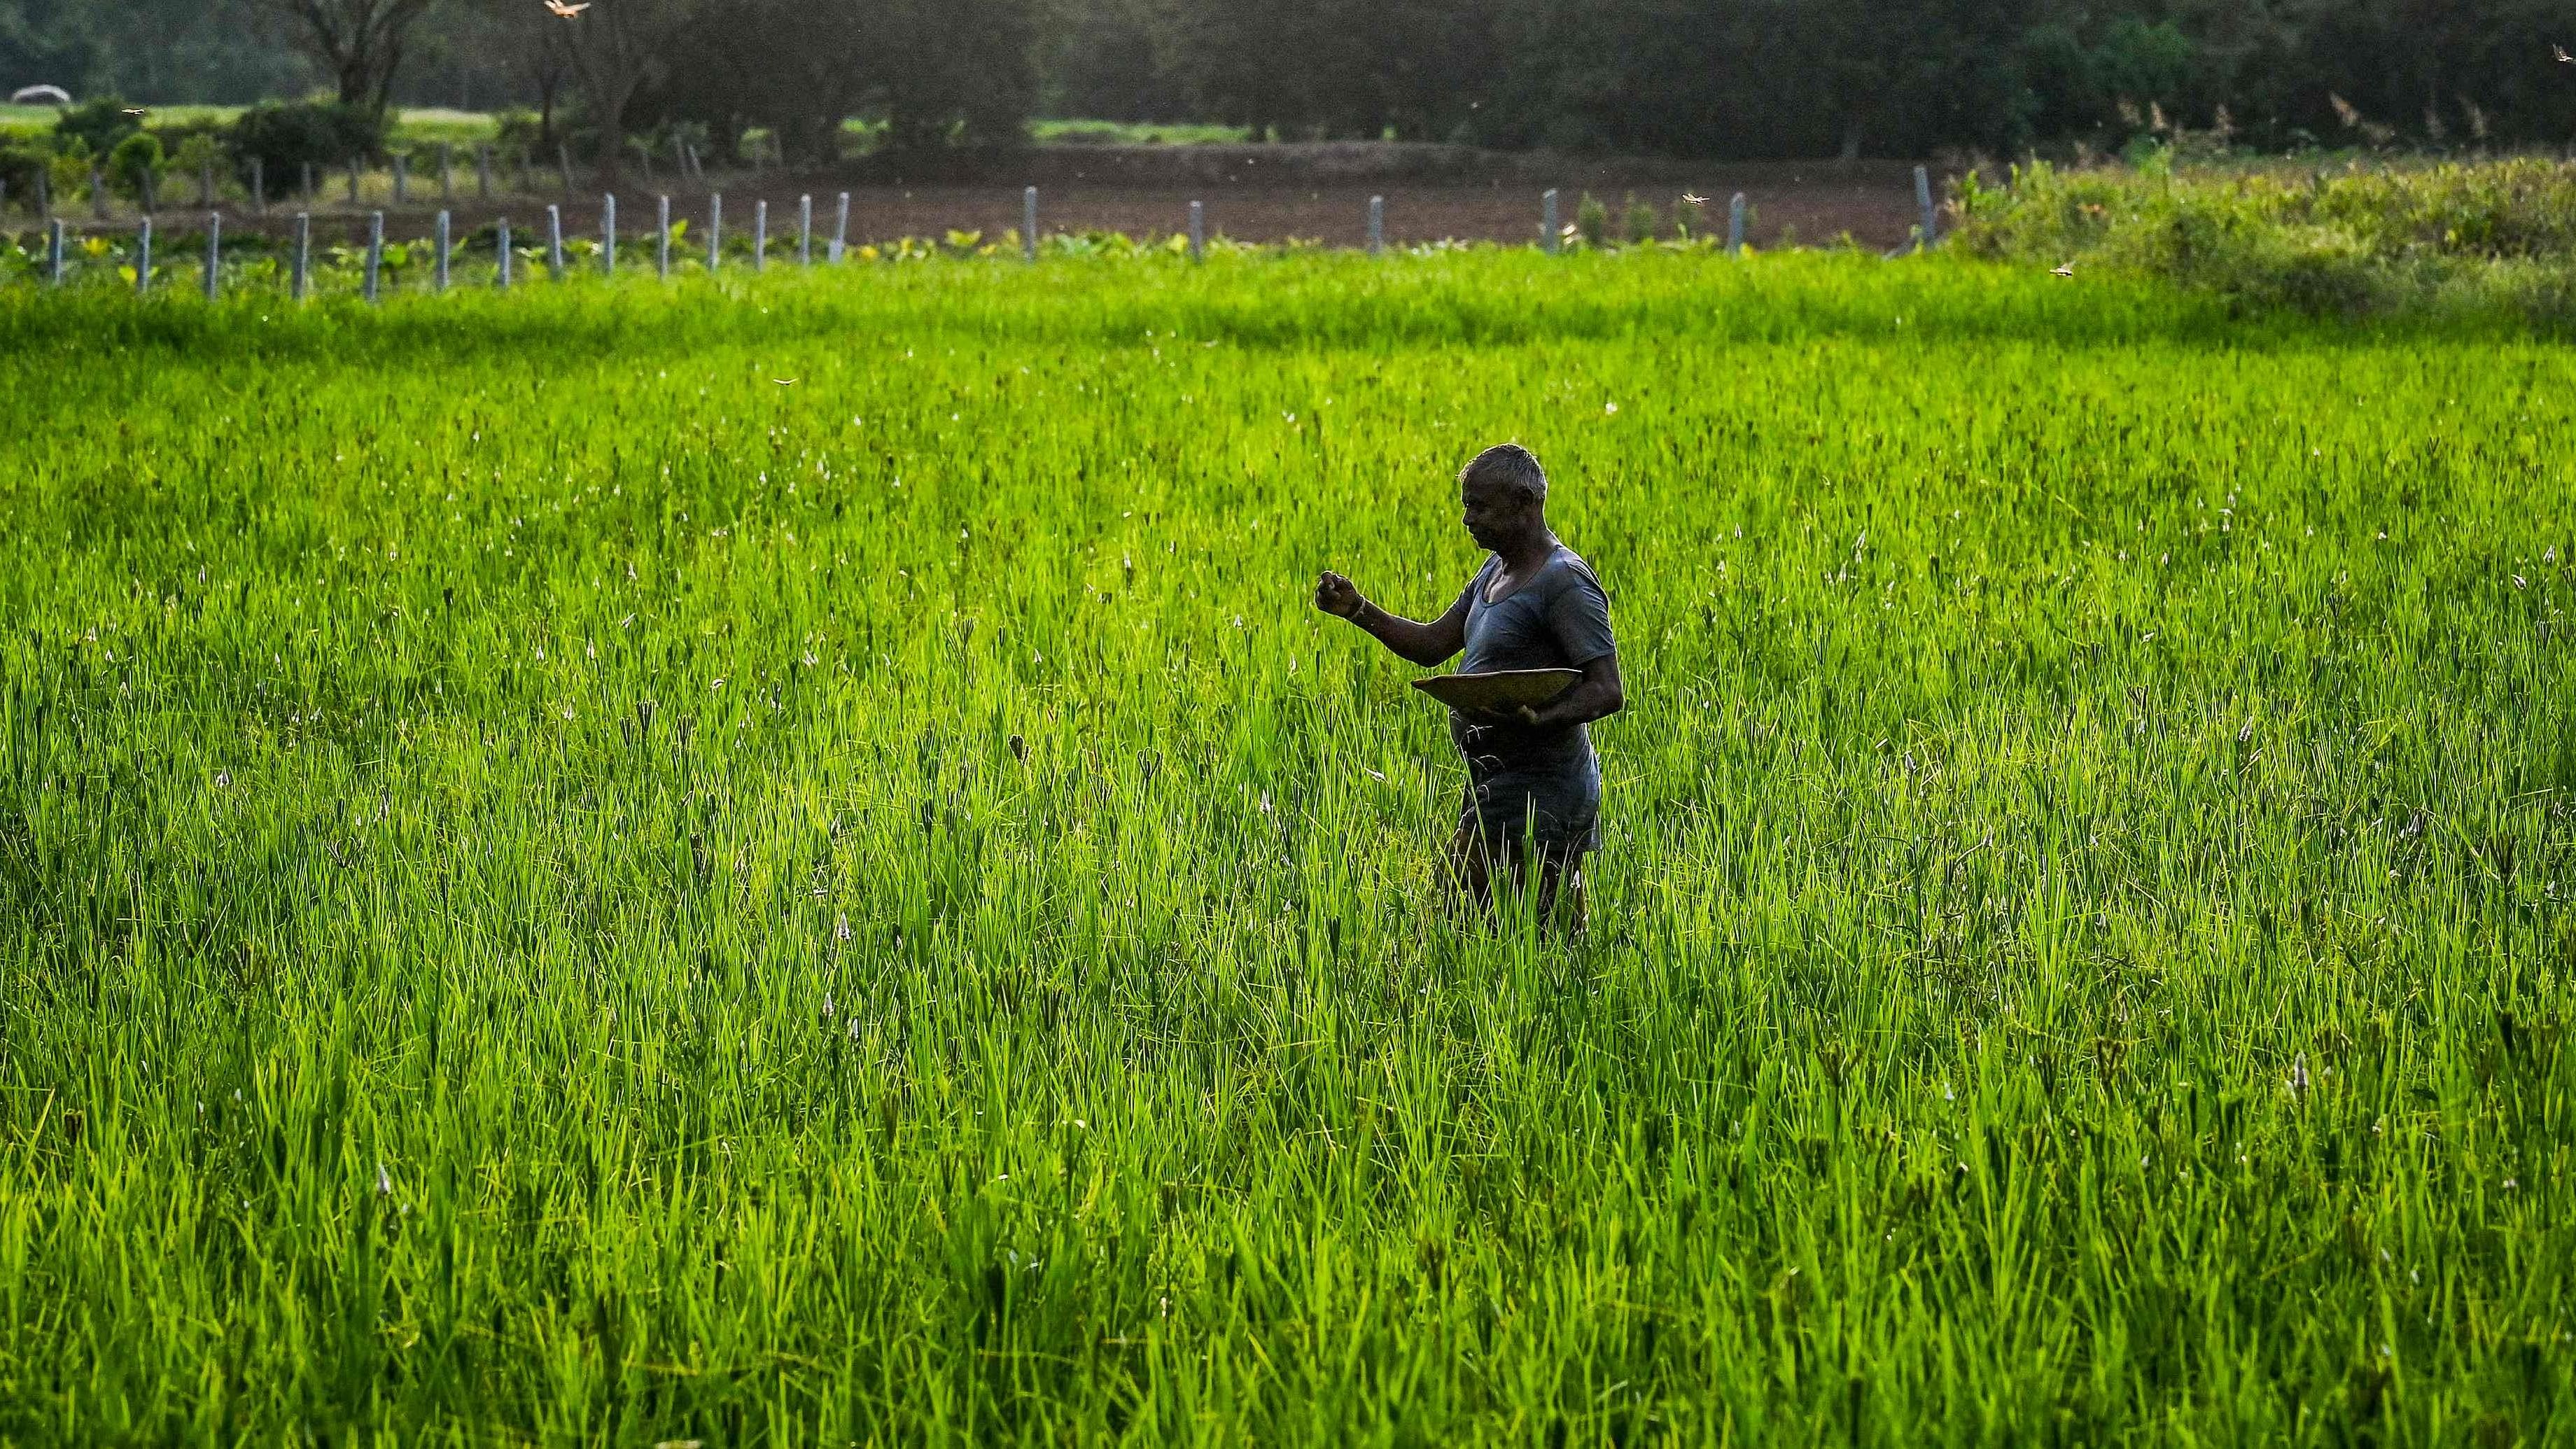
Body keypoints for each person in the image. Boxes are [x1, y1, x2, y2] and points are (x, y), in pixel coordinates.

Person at [1314, 442, 1623, 923]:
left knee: (1518, 933)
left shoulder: (1564, 582)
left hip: (1543, 797)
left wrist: (1540, 718)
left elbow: (1606, 689)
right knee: (1477, 923)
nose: (1467, 520)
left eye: (1479, 506)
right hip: (1493, 788)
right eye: (1466, 506)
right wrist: (1357, 610)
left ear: (1525, 503)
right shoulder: (1494, 572)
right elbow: (1435, 643)